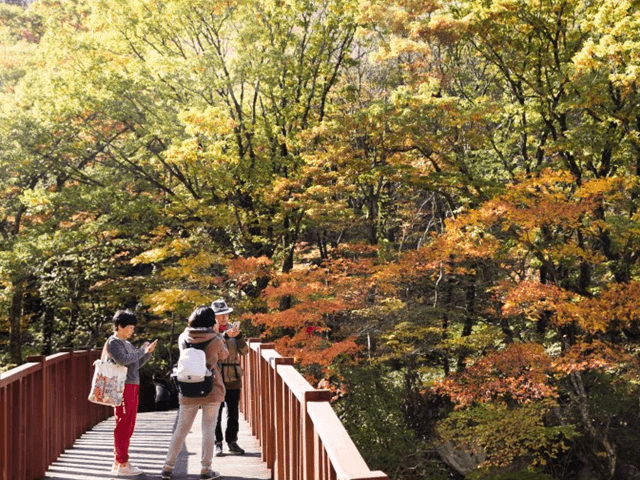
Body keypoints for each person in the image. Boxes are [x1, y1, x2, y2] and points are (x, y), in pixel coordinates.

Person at [161, 306, 228, 480]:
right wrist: (218, 335)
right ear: (211, 321)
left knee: (181, 429)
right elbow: (224, 356)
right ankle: (206, 469)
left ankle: (168, 467)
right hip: (211, 387)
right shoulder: (215, 339)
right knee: (208, 429)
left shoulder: (183, 337)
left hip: (188, 387)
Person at [107, 310, 158, 477]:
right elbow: (123, 360)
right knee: (123, 423)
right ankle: (121, 463)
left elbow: (135, 364)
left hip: (132, 384)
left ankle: (121, 461)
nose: (132, 331)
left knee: (129, 424)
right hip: (122, 386)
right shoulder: (113, 342)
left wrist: (147, 353)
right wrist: (141, 351)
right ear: (119, 326)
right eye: (129, 327)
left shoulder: (127, 343)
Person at [211, 298, 248, 456]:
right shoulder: (210, 331)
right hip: (216, 376)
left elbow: (245, 351)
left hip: (233, 374)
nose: (224, 317)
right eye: (220, 315)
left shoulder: (235, 329)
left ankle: (232, 441)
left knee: (233, 411)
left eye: (225, 314)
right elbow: (212, 349)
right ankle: (217, 442)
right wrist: (225, 336)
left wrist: (239, 337)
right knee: (216, 411)